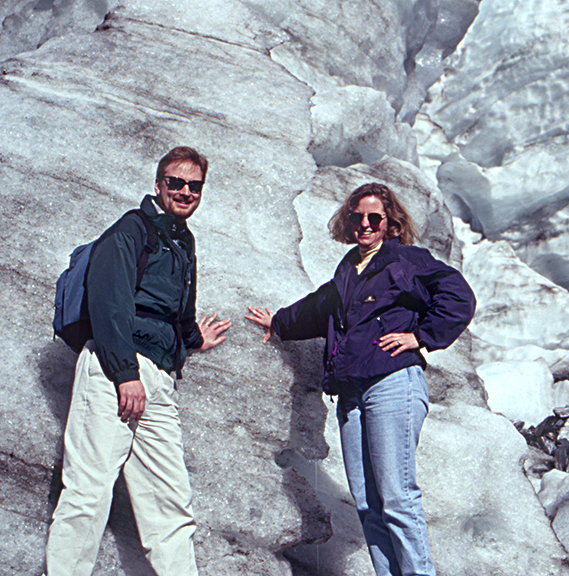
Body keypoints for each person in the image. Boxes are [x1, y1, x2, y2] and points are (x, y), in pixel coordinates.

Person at [246, 182, 475, 576]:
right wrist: (280, 321)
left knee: (397, 497)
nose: (365, 225)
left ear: (390, 223)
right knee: (368, 502)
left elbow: (459, 296)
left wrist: (420, 336)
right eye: (358, 217)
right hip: (352, 393)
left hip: (392, 382)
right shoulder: (348, 270)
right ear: (348, 221)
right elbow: (318, 308)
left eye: (374, 218)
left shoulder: (406, 260)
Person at [45, 146, 231, 576]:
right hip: (115, 369)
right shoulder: (132, 228)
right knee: (88, 491)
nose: (185, 191)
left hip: (158, 378)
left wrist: (192, 340)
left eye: (194, 186)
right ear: (158, 184)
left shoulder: (184, 243)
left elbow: (178, 316)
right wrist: (124, 372)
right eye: (176, 182)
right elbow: (110, 303)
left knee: (170, 503)